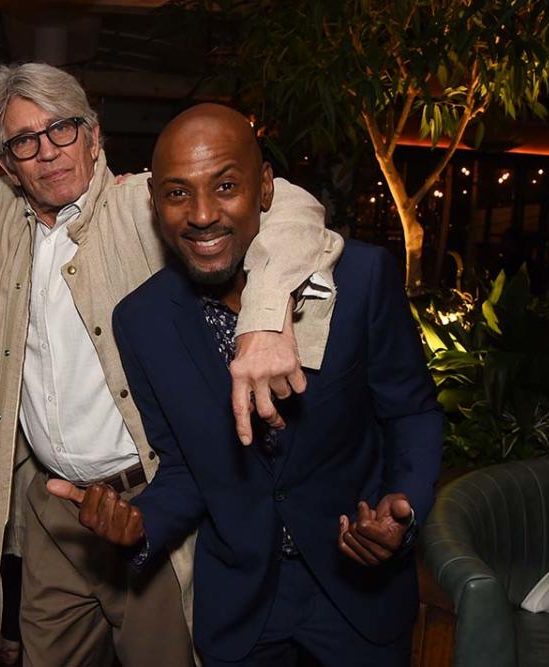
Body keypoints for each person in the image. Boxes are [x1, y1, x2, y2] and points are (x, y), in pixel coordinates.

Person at [0, 62, 342, 666]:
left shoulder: (144, 204)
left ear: (94, 135)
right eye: (23, 141)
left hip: (148, 503)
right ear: (8, 163)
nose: (47, 153)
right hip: (52, 510)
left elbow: (293, 206)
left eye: (63, 129)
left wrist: (265, 312)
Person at [48, 104, 444, 666]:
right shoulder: (141, 321)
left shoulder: (361, 278)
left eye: (226, 185)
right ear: (154, 202)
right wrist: (142, 521)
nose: (202, 214)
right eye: (178, 193)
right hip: (242, 612)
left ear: (265, 188)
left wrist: (401, 512)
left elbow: (413, 415)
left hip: (360, 596)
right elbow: (187, 469)